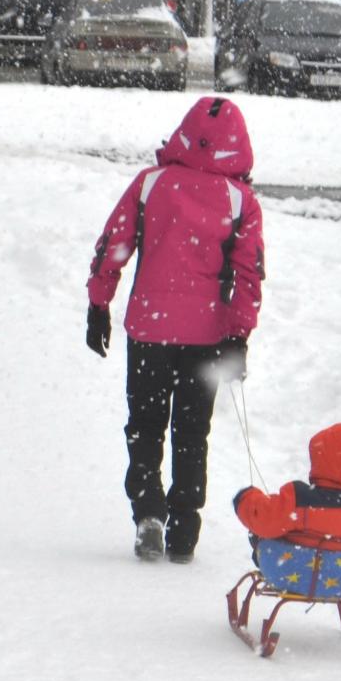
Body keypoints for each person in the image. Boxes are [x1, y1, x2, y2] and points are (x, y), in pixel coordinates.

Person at [86, 96, 265, 564]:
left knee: (145, 425)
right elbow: (250, 275)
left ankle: (148, 512)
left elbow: (115, 243)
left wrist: (99, 303)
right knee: (191, 431)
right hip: (206, 336)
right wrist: (238, 335)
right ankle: (185, 525)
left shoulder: (150, 185)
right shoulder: (240, 201)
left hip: (149, 328)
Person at [232, 421, 341, 553]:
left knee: (266, 533)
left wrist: (246, 497)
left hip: (297, 572)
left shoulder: (300, 500)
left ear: (322, 459)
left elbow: (262, 516)